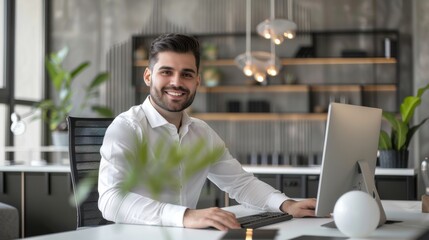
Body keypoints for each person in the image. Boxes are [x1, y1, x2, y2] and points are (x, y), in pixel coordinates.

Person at [98, 33, 316, 231]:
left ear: (197, 81)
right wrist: (186, 216)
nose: (176, 82)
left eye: (187, 74)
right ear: (148, 77)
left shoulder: (201, 132)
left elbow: (241, 183)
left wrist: (286, 204)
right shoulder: (126, 127)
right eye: (166, 72)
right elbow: (110, 200)